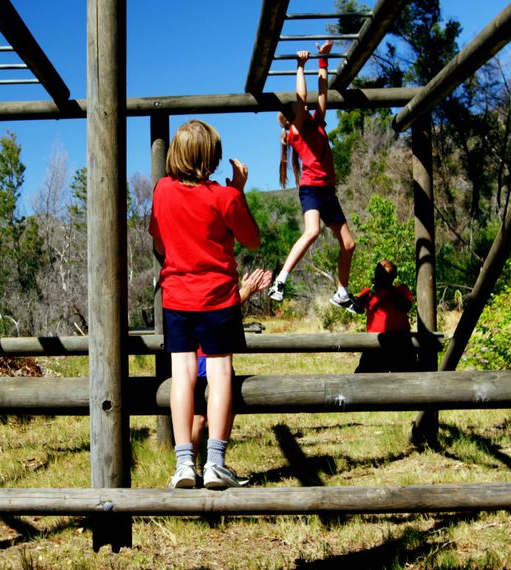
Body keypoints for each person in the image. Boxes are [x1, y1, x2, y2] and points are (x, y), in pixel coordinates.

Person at [149, 119, 261, 490]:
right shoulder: (224, 197)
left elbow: (160, 245)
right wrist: (239, 192)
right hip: (217, 297)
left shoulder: (162, 191)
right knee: (220, 372)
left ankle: (184, 465)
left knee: (180, 374)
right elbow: (252, 240)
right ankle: (215, 462)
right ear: (212, 157)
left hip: (176, 296)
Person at [267, 40, 357, 309]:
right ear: (292, 116)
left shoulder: (317, 123)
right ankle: (280, 280)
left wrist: (323, 59)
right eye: (299, 109)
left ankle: (342, 292)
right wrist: (299, 67)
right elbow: (302, 97)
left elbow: (322, 91)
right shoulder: (294, 134)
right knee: (313, 231)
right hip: (311, 189)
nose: (304, 108)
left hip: (328, 191)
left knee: (349, 244)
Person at [191, 269, 273, 455]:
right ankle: (202, 466)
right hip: (207, 353)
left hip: (207, 351)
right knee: (200, 415)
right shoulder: (204, 271)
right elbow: (218, 308)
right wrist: (245, 292)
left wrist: (244, 291)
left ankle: (200, 466)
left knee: (221, 409)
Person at [352, 260, 417, 373]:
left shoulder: (401, 290)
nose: (382, 277)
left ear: (393, 276)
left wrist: (387, 289)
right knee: (365, 378)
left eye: (386, 274)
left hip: (400, 343)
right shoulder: (368, 292)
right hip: (375, 343)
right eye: (380, 273)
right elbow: (358, 308)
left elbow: (406, 306)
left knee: (407, 378)